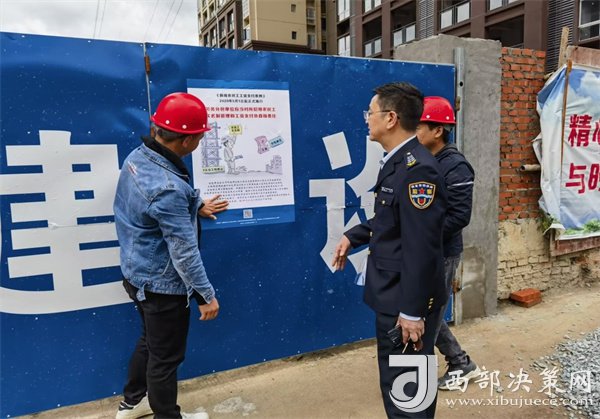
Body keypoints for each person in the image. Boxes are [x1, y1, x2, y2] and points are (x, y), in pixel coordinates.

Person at [332, 82, 448, 418]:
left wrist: (412, 311)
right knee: (401, 383)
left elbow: (422, 246)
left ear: (391, 118)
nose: (367, 119)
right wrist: (353, 236)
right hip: (395, 294)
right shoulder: (398, 161)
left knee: (407, 390)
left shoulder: (418, 169)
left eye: (371, 112)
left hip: (404, 300)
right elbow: (392, 221)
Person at [113, 92, 229, 419]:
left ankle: (132, 404)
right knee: (166, 359)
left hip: (137, 275)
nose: (202, 140)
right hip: (162, 286)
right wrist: (205, 295)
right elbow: (184, 252)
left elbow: (155, 204)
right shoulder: (168, 188)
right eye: (201, 136)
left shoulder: (139, 156)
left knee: (150, 342)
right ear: (188, 141)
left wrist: (193, 205)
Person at [416, 96, 479, 391]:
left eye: (419, 126)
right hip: (423, 250)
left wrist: (421, 236)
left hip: (442, 253)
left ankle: (453, 365)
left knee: (428, 314)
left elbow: (459, 217)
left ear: (438, 130)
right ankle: (460, 362)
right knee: (423, 312)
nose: (413, 131)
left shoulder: (456, 166)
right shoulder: (424, 160)